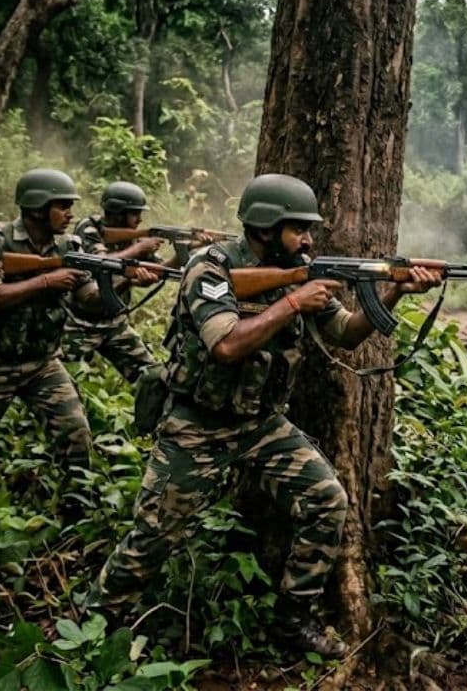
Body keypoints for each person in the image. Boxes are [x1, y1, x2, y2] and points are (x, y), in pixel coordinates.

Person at [93, 174, 442, 656]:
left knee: (327, 499)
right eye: (298, 228)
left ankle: (292, 619)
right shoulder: (210, 268)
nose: (309, 239)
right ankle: (96, 623)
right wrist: (293, 302)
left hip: (260, 423)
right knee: (154, 533)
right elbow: (227, 344)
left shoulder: (300, 267)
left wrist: (395, 292)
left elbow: (345, 332)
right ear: (265, 225)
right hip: (198, 423)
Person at [0, 170, 153, 537]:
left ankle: (76, 522)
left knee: (76, 438)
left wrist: (122, 277)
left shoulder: (70, 245)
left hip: (42, 363)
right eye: (62, 206)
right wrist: (45, 280)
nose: (71, 213)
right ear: (38, 208)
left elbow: (87, 297)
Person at [62, 181, 188, 383]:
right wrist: (139, 250)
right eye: (134, 213)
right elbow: (100, 262)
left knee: (152, 375)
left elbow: (160, 269)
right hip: (80, 324)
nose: (140, 219)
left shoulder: (134, 239)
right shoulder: (89, 229)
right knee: (63, 380)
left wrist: (183, 253)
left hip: (115, 323)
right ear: (117, 213)